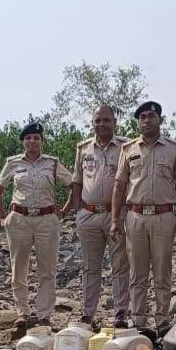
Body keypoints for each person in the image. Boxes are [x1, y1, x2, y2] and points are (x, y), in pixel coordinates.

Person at [110, 101, 176, 331]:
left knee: (162, 272)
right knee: (137, 273)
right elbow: (119, 186)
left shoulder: (173, 149)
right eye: (142, 116)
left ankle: (163, 322)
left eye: (151, 116)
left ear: (160, 120)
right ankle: (140, 323)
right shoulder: (128, 149)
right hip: (135, 217)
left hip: (164, 217)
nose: (146, 120)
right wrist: (115, 220)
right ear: (138, 122)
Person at [0, 122, 72, 331]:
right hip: (19, 219)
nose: (32, 141)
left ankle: (44, 315)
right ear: (23, 141)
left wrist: (64, 211)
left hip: (47, 220)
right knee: (19, 267)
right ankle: (22, 313)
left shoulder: (52, 163)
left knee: (47, 270)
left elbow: (73, 184)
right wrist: (3, 217)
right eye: (28, 138)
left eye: (36, 138)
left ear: (42, 141)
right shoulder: (13, 163)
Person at [63, 106, 129, 328]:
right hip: (88, 214)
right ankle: (88, 314)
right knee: (90, 267)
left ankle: (120, 313)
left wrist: (119, 214)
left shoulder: (126, 147)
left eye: (106, 120)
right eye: (97, 120)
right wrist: (78, 210)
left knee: (120, 265)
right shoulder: (83, 148)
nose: (101, 124)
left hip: (115, 214)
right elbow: (77, 180)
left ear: (114, 122)